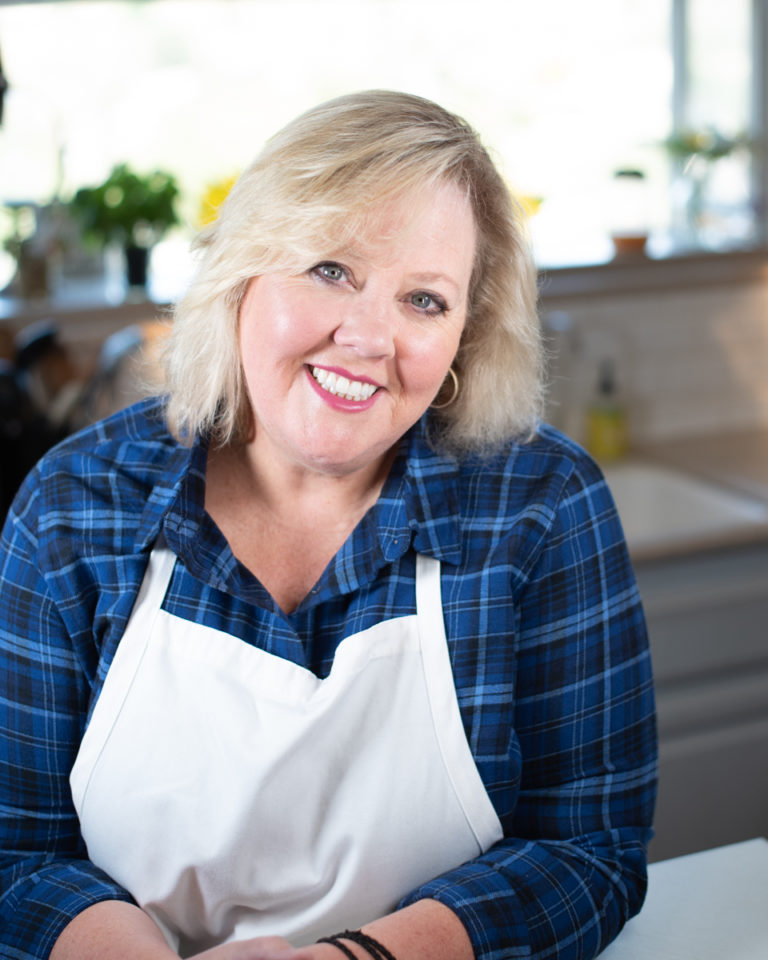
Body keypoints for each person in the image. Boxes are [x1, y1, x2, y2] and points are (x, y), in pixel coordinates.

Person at [0, 91, 657, 960]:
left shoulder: (539, 505)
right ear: (241, 276)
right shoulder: (75, 505)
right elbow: (16, 854)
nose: (368, 337)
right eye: (330, 270)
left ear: (466, 333)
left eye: (424, 300)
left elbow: (590, 851)